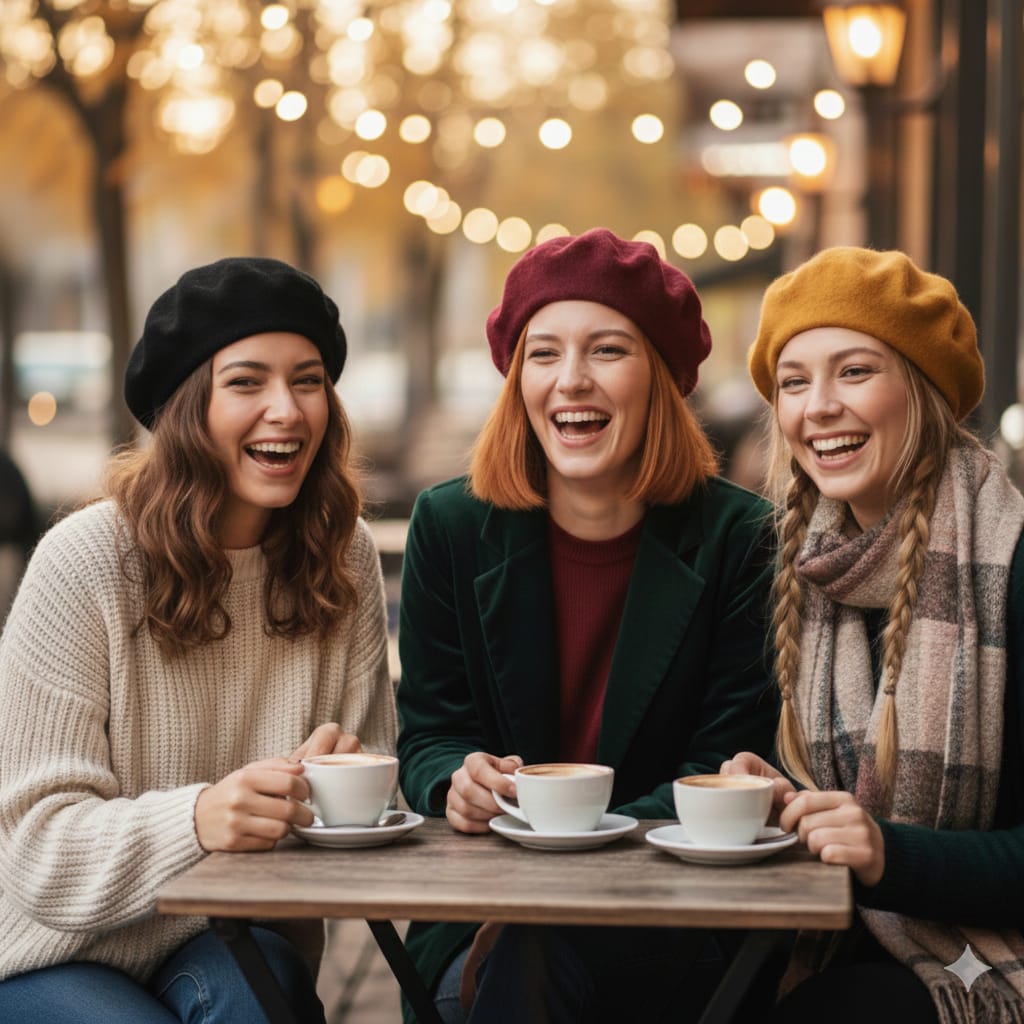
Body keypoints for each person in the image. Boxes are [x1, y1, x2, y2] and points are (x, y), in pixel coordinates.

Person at [0, 257, 397, 1022]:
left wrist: (339, 790)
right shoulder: (84, 561)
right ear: (188, 409)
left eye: (307, 380)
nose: (286, 409)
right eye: (247, 382)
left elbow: (380, 788)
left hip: (233, 937)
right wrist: (198, 819)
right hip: (51, 950)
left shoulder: (339, 552)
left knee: (259, 1001)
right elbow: (35, 850)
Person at [396, 227, 778, 1023]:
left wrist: (574, 840)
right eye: (543, 354)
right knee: (528, 952)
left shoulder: (740, 537)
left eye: (607, 350)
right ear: (516, 380)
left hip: (670, 912)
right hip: (488, 915)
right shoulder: (452, 525)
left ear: (662, 379)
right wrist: (456, 782)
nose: (571, 381)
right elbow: (430, 733)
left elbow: (724, 755)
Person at [728, 246, 1024, 1022]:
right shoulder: (798, 568)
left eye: (854, 371)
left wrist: (889, 852)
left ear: (923, 392)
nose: (817, 406)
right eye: (795, 383)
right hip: (839, 936)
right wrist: (783, 796)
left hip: (988, 953)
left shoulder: (1010, 566)